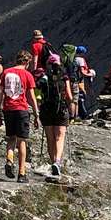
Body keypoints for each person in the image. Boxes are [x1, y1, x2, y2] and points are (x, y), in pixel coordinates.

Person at [0, 53, 37, 180]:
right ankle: (22, 173)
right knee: (22, 141)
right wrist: (36, 113)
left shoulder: (6, 72)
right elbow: (31, 97)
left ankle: (9, 160)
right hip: (21, 109)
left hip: (8, 109)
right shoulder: (28, 75)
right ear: (27, 62)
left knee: (11, 138)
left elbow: (0, 93)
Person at [36, 50, 73, 178]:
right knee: (59, 137)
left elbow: (38, 89)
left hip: (46, 109)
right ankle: (57, 162)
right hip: (61, 109)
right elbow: (69, 96)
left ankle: (53, 163)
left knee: (50, 138)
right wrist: (71, 111)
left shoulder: (44, 76)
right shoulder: (64, 76)